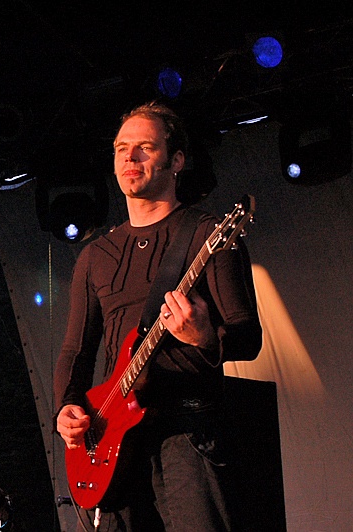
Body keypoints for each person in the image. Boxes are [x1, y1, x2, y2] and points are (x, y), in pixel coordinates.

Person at [54, 102, 262, 531]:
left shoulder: (208, 234)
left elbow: (248, 336)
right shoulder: (96, 255)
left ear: (177, 160)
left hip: (186, 430)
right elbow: (76, 348)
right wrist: (67, 407)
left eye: (145, 147)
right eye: (121, 149)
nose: (130, 158)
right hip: (111, 439)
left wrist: (204, 336)